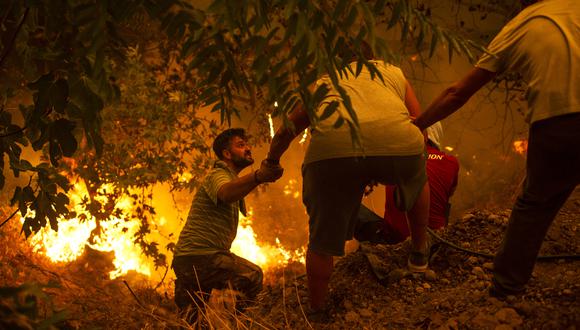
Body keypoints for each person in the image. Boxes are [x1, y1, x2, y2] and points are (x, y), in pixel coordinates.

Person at [413, 0, 580, 297]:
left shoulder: (522, 24)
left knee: (535, 204)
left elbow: (458, 92)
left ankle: (506, 289)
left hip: (559, 120)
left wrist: (418, 124)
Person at [266, 51, 431, 312]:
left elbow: (288, 130)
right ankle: (420, 253)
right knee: (418, 176)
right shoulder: (392, 71)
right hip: (399, 146)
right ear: (373, 57)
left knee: (321, 241)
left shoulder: (324, 81)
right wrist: (402, 172)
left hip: (331, 154)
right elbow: (421, 122)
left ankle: (318, 311)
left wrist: (271, 161)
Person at [171, 128, 283, 321]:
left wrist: (259, 178)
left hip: (186, 259)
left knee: (193, 323)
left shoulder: (230, 178)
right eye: (241, 145)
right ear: (227, 154)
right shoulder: (218, 174)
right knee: (253, 276)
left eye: (247, 144)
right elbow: (225, 193)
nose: (248, 148)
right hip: (202, 257)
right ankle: (238, 325)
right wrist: (258, 176)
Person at [382, 122, 459, 243]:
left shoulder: (394, 158)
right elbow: (450, 194)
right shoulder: (451, 162)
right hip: (434, 241)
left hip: (393, 239)